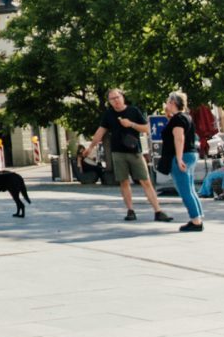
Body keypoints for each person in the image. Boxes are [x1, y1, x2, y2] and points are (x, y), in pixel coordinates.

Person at [79, 88, 172, 222]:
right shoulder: (108, 115)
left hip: (135, 152)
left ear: (122, 97)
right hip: (118, 152)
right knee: (124, 181)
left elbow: (147, 129)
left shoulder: (133, 111)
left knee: (145, 181)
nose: (116, 101)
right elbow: (100, 132)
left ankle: (158, 211)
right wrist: (91, 147)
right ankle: (130, 210)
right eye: (112, 99)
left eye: (117, 97)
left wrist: (131, 124)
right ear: (109, 102)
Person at [162, 91, 202, 233]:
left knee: (185, 190)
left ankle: (196, 221)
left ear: (173, 103)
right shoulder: (186, 117)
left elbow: (179, 138)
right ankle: (198, 218)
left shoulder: (178, 119)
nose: (166, 104)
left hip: (182, 155)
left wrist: (178, 159)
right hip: (191, 153)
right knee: (190, 189)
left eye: (168, 101)